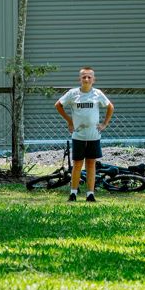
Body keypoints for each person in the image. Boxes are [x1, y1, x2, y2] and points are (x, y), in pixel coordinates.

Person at [55, 66, 114, 202]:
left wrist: (104, 124)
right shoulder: (73, 93)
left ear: (94, 79)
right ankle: (73, 193)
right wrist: (70, 121)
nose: (86, 79)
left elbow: (110, 107)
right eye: (84, 77)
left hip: (94, 135)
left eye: (89, 77)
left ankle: (90, 194)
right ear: (79, 79)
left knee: (91, 164)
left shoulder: (98, 93)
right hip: (78, 135)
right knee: (77, 164)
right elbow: (58, 105)